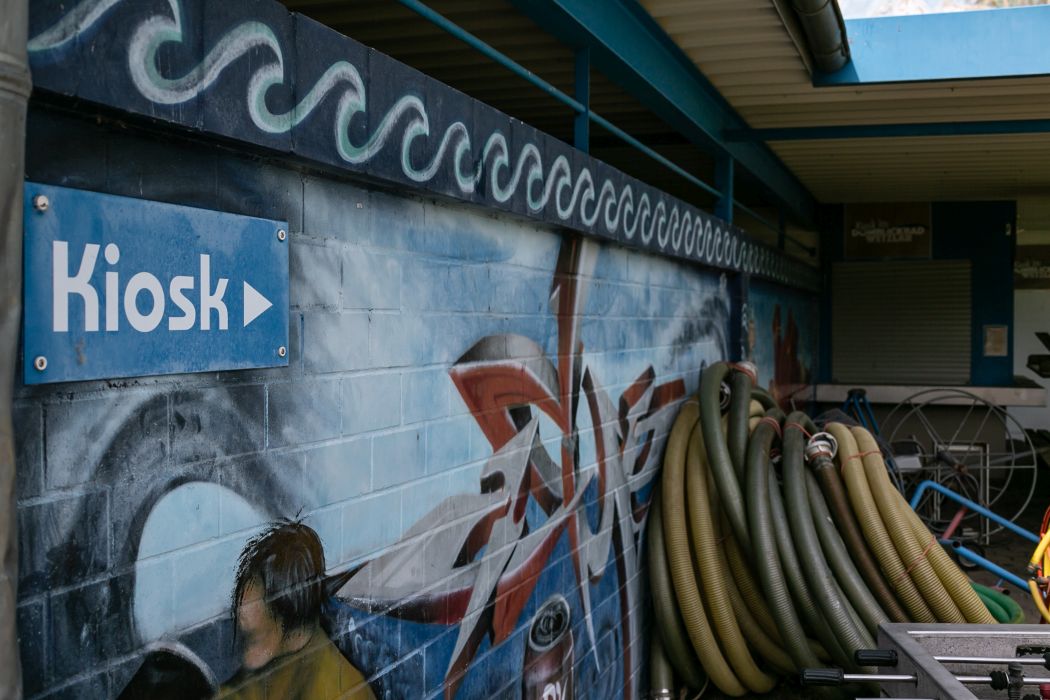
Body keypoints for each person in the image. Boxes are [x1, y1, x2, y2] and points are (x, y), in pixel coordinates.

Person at [218, 520, 374, 700]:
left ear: (290, 613)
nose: (241, 617)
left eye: (255, 637)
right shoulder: (275, 657)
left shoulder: (334, 689)